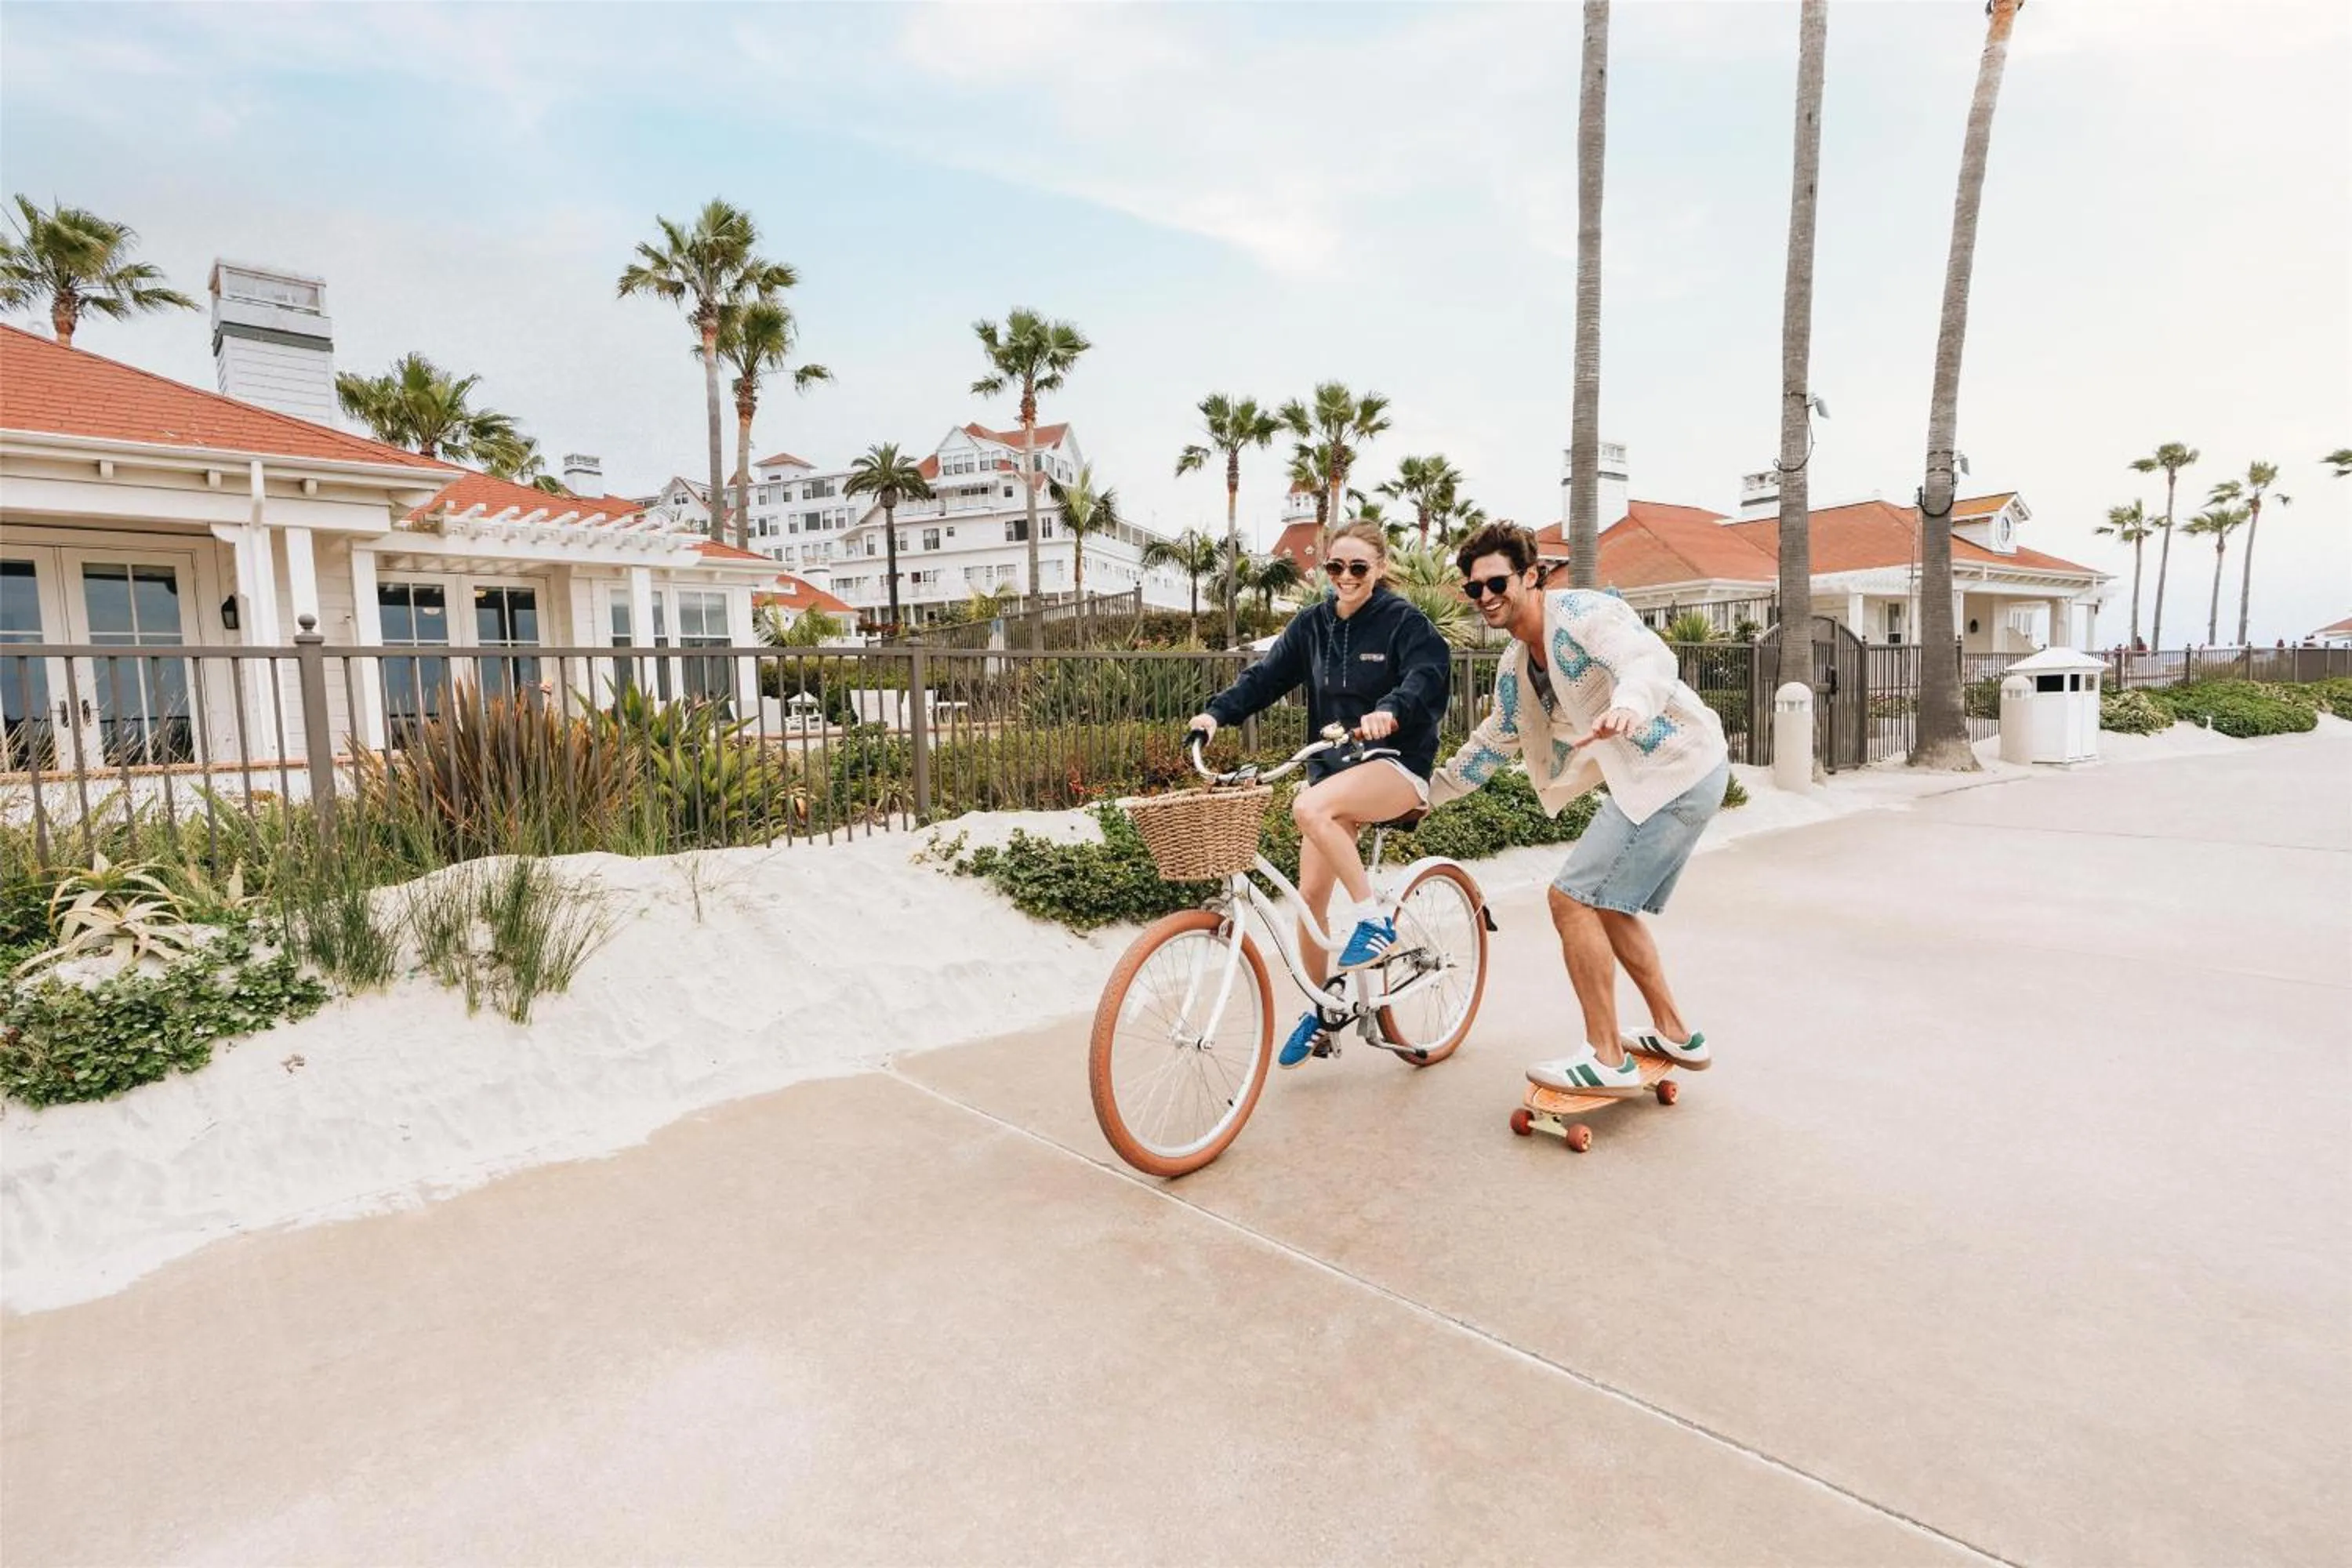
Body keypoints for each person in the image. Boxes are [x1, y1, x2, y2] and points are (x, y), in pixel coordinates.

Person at [1430, 522, 1731, 1096]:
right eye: (1474, 589)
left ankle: (1607, 1057)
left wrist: (1630, 704)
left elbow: (1646, 659)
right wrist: (1430, 795)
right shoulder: (1516, 668)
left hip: (1674, 768)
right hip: (1668, 778)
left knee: (1570, 899)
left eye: (1497, 581)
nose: (1486, 596)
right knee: (1611, 907)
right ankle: (1676, 1034)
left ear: (1530, 576)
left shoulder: (1585, 616)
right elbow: (1495, 740)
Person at [1189, 520, 1452, 1069]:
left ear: (1379, 568)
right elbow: (1265, 678)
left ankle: (1372, 922)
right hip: (1333, 770)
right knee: (1309, 900)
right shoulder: (1312, 625)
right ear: (1325, 570)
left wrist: (1391, 712)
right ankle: (1326, 1008)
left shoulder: (1405, 621)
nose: (1347, 577)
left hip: (1394, 764)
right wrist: (1217, 714)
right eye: (1337, 567)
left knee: (1308, 806)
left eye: (1359, 567)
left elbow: (1428, 677)